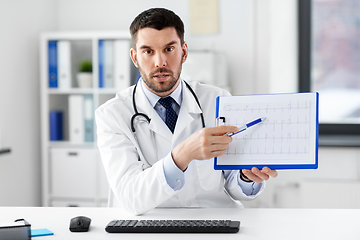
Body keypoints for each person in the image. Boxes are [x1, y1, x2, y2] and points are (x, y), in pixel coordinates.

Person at [95, 8, 278, 215]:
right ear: (134, 57)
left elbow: (232, 183)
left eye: (169, 49)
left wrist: (245, 177)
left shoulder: (218, 100)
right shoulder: (112, 115)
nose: (159, 62)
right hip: (151, 226)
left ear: (183, 52)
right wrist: (183, 154)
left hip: (215, 221)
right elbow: (130, 197)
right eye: (148, 51)